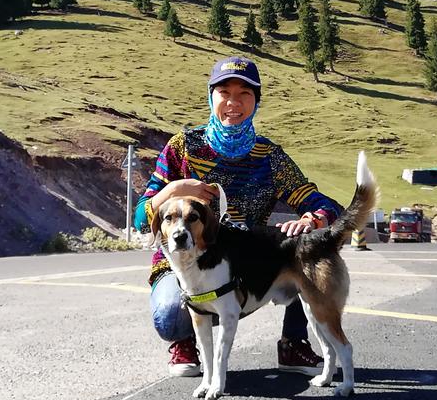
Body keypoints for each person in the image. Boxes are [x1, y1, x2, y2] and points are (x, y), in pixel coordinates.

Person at [134, 55, 343, 378]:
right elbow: (139, 216)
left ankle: (293, 343)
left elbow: (321, 202)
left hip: (247, 267)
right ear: (211, 97)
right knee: (169, 313)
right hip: (185, 263)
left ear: (256, 101)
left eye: (244, 94)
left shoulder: (269, 157)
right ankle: (185, 341)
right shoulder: (183, 147)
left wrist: (312, 218)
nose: (234, 103)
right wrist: (173, 188)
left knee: (302, 248)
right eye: (224, 93)